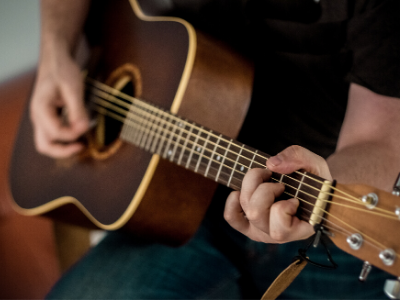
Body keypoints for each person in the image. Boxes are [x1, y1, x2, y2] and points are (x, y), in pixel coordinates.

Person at [30, 0, 400, 298]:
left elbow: (379, 139)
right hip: (175, 202)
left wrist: (326, 190)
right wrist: (56, 50)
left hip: (327, 236)